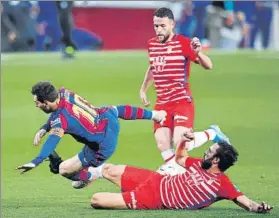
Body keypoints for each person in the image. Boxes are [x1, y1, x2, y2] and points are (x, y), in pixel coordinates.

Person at [88, 129, 273, 214]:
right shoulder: (201, 164)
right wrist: (184, 140)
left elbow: (246, 202)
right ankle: (84, 175)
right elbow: (180, 158)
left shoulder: (222, 184)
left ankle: (127, 197)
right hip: (157, 179)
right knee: (108, 170)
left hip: (152, 198)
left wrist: (259, 207)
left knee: (96, 200)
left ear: (216, 160)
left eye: (210, 150)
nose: (206, 151)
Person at [15, 81, 167, 185]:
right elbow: (55, 115)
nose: (36, 106)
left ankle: (94, 174)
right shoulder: (63, 93)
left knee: (62, 169)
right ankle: (155, 115)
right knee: (115, 109)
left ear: (46, 103)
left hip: (102, 145)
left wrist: (36, 161)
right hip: (105, 118)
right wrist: (44, 127)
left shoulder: (61, 120)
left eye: (37, 103)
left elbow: (51, 142)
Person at [139, 7, 214, 172]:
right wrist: (143, 89)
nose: (158, 29)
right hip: (162, 104)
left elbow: (209, 66)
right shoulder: (151, 44)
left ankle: (212, 134)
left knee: (180, 142)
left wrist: (199, 53)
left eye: (162, 26)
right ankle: (177, 173)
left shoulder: (183, 43)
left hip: (181, 102)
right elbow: (153, 67)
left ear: (172, 24)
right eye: (156, 26)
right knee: (162, 144)